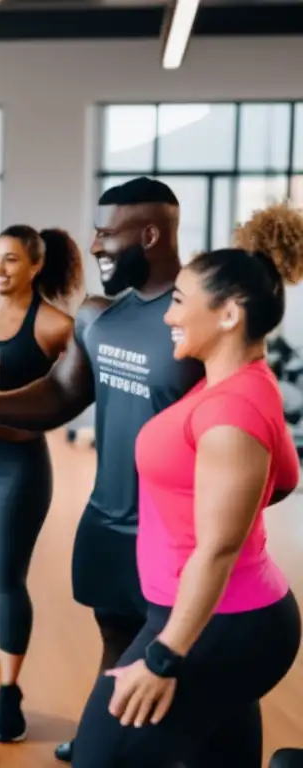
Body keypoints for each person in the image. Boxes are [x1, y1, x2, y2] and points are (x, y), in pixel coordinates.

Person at [71, 203, 303, 767]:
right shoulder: (241, 384)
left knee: (99, 759)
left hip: (214, 626)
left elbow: (219, 547)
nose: (169, 317)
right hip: (222, 616)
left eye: (179, 302)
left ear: (227, 315)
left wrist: (165, 656)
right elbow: (285, 477)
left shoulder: (232, 412)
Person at [0, 177, 207, 764]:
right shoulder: (99, 318)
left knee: (181, 655)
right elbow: (60, 395)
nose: (94, 245)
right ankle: (108, 732)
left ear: (152, 233)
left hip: (176, 536)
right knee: (114, 637)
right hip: (108, 518)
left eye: (108, 233)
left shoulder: (200, 321)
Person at [0, 225, 85, 743]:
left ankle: (10, 693)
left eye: (11, 260)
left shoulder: (55, 326)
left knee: (9, 573)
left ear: (35, 266)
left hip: (20, 466)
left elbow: (73, 389)